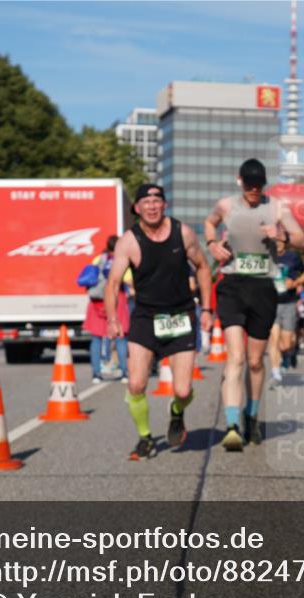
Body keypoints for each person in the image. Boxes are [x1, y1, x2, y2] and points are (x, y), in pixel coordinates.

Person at [204, 158, 304, 451]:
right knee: (235, 358)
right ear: (240, 181)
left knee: (254, 361)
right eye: (249, 185)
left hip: (263, 287)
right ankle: (232, 425)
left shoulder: (276, 208)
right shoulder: (226, 205)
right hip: (232, 286)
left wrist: (283, 235)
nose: (253, 190)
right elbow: (209, 223)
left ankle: (252, 416)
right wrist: (212, 244)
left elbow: (303, 241)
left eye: (258, 185)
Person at [105, 184, 213, 460]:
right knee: (137, 385)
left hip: (180, 315)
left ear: (164, 205)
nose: (152, 205)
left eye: (157, 200)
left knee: (183, 389)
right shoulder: (128, 241)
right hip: (145, 317)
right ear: (137, 208)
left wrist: (208, 309)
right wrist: (113, 318)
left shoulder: (183, 233)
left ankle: (177, 413)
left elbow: (203, 267)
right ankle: (145, 438)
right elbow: (113, 281)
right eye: (146, 201)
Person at [84, 235, 130, 384]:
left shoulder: (98, 260)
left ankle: (96, 374)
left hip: (97, 301)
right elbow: (128, 279)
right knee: (121, 336)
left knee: (96, 338)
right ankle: (124, 372)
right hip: (118, 299)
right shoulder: (122, 260)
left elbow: (89, 278)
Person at [267, 238, 304, 386]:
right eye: (275, 240)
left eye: (281, 240)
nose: (278, 242)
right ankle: (276, 373)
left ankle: (288, 355)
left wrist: (295, 283)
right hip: (270, 303)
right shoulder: (266, 256)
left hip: (289, 302)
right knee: (274, 339)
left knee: (286, 343)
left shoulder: (292, 257)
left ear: (286, 242)